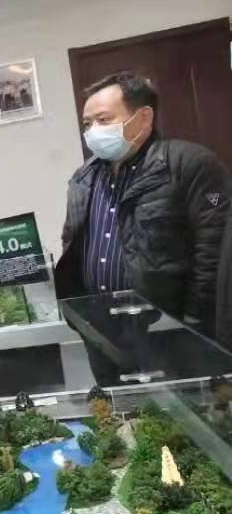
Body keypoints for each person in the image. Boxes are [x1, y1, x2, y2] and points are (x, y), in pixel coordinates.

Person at [55, 71, 231, 381]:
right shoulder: (83, 179)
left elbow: (214, 257)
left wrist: (192, 329)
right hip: (103, 335)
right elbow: (73, 244)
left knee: (182, 409)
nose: (93, 132)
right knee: (118, 409)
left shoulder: (188, 164)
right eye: (87, 124)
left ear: (144, 117)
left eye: (103, 120)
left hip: (169, 332)